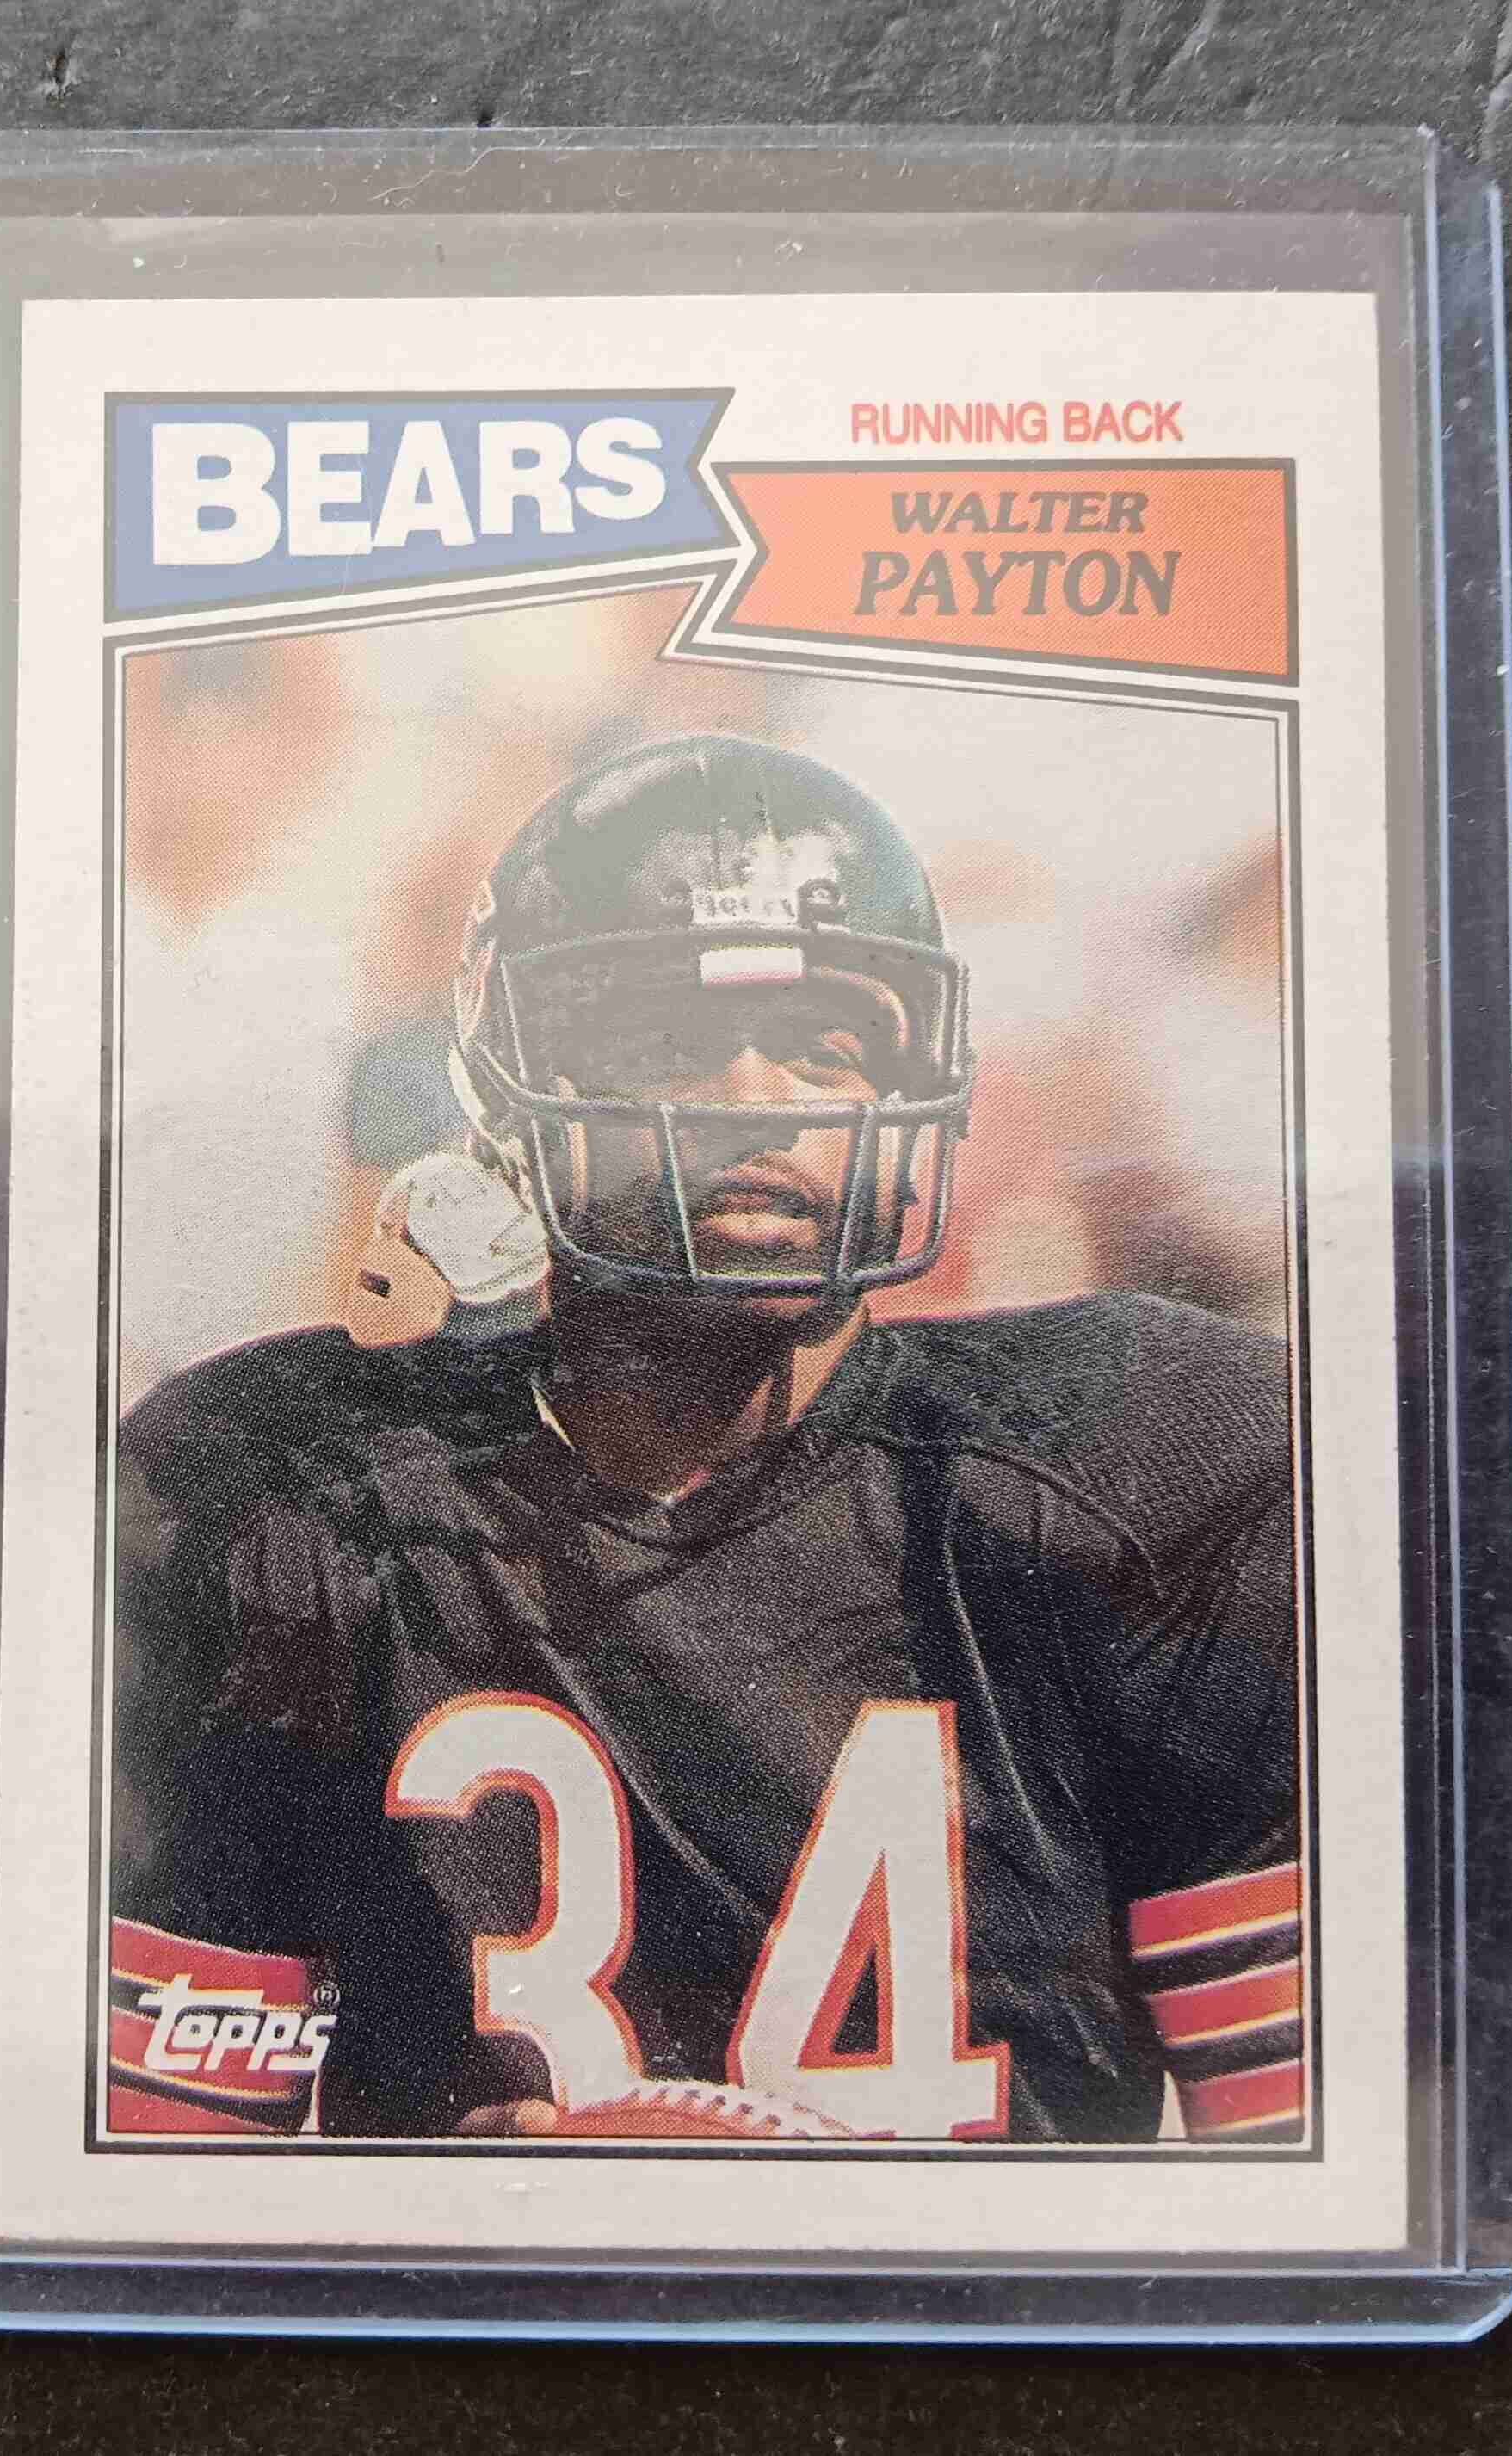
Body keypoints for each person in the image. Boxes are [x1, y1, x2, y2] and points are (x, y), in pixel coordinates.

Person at [108, 733, 1304, 2146]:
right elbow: (160, 2170)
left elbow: (1298, 2173)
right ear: (513, 1082)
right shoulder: (277, 1490)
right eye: (671, 1043)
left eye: (824, 1042)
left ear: (920, 1075)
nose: (755, 1097)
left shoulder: (1151, 1461)